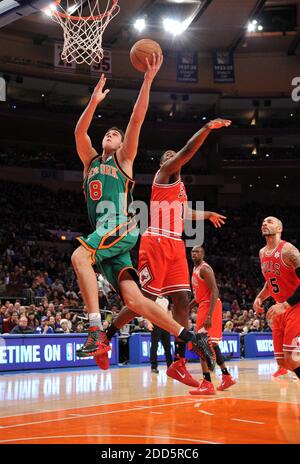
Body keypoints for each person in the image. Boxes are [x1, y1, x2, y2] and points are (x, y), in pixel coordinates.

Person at [72, 56, 208, 369]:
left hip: (119, 224)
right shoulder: (90, 163)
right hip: (107, 237)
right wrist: (93, 102)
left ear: (122, 145)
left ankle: (95, 329)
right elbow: (80, 134)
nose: (111, 133)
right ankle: (188, 336)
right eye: (107, 132)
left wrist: (147, 80)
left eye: (115, 134)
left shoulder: (123, 160)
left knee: (79, 257)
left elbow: (136, 119)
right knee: (134, 300)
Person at [104, 118, 231, 386]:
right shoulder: (163, 175)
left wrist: (207, 215)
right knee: (144, 300)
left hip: (175, 243)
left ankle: (178, 362)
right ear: (163, 164)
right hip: (157, 242)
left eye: (172, 156)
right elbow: (187, 150)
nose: (171, 157)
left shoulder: (180, 190)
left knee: (182, 300)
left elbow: (185, 214)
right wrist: (206, 129)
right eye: (167, 156)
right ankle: (106, 335)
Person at [253, 216, 300, 380]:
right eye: (263, 222)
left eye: (270, 221)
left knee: (292, 359)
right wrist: (260, 298)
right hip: (280, 308)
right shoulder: (262, 252)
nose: (264, 223)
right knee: (283, 362)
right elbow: (270, 282)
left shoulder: (289, 250)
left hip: (295, 306)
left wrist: (286, 305)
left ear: (280, 229)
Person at [188, 246, 236, 395]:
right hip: (204, 304)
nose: (194, 254)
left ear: (203, 254)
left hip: (210, 306)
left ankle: (207, 383)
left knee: (200, 343)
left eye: (197, 252)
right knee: (211, 344)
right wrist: (189, 306)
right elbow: (199, 295)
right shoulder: (195, 269)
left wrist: (209, 316)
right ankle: (226, 376)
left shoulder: (204, 269)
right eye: (192, 252)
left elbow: (215, 290)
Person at [148, 297, 173, 373]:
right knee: (154, 346)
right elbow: (148, 311)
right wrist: (149, 322)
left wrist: (171, 324)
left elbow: (169, 312)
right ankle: (153, 367)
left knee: (168, 347)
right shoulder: (153, 298)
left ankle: (170, 367)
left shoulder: (166, 299)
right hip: (155, 324)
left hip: (165, 325)